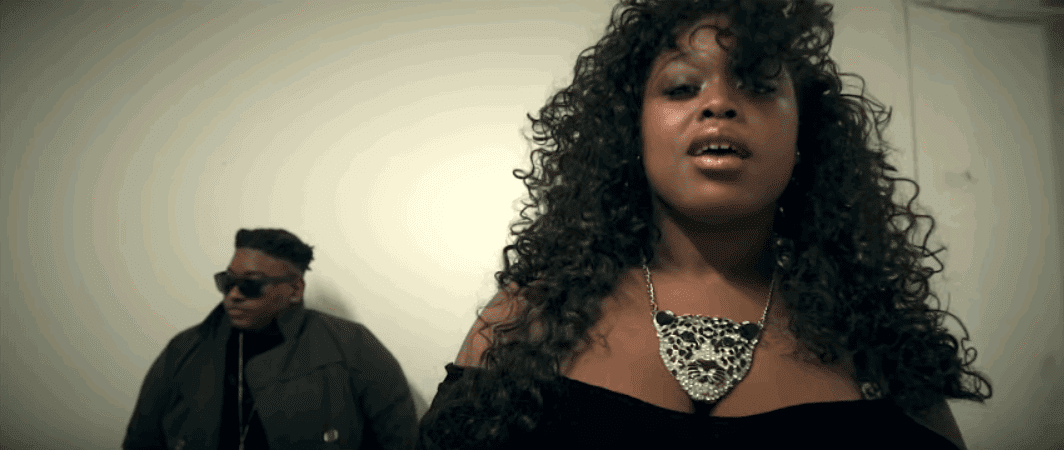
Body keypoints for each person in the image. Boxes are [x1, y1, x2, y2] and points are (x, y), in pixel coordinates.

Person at [418, 0, 992, 449]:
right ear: (631, 133)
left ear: (805, 136)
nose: (718, 103)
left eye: (758, 85)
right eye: (681, 87)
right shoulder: (526, 322)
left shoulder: (875, 343)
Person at [124, 228, 417, 450]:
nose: (233, 294)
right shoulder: (186, 350)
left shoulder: (352, 346)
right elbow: (142, 439)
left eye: (251, 284)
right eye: (227, 281)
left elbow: (399, 439)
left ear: (295, 290)